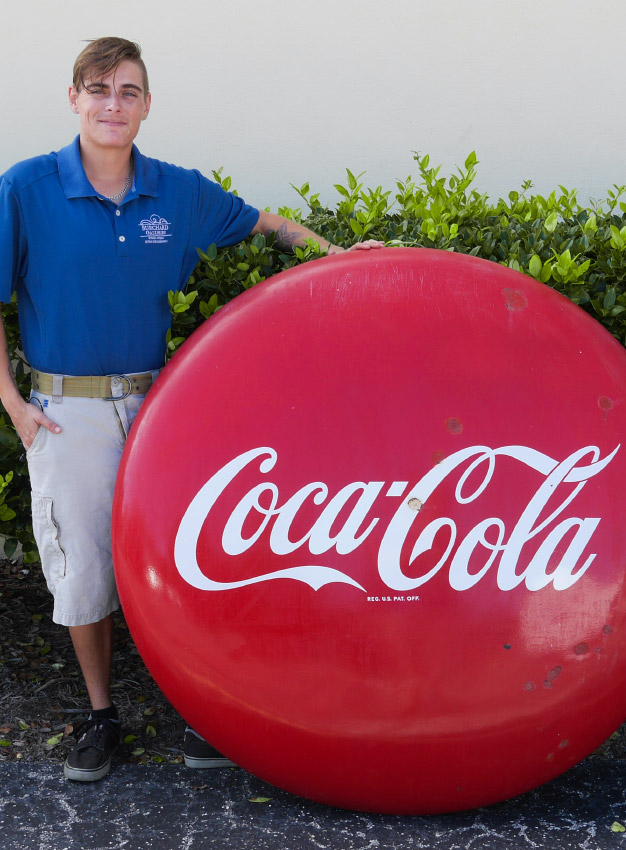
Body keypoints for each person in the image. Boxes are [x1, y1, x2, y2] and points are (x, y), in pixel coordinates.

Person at [0, 36, 382, 782]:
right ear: (74, 97)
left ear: (146, 106)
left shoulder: (176, 193)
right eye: (100, 89)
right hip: (65, 411)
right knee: (84, 574)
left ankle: (201, 709)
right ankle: (100, 717)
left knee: (183, 565)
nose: (114, 104)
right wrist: (11, 402)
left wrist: (340, 258)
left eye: (130, 91)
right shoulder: (26, 188)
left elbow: (266, 224)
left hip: (162, 407)